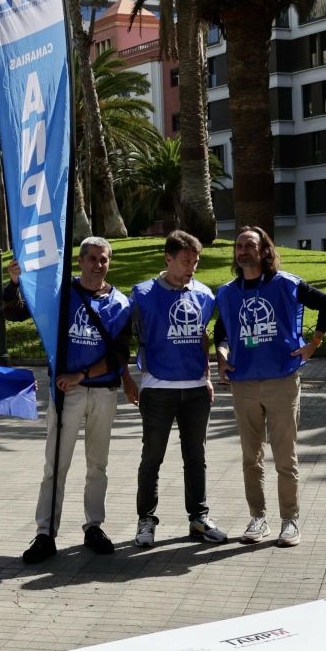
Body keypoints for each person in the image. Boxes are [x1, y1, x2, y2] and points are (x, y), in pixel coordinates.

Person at [4, 238, 130, 563]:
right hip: (66, 393)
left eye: (103, 260)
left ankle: (94, 526)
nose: (98, 265)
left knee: (98, 465)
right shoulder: (61, 295)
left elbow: (118, 356)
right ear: (79, 260)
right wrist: (15, 282)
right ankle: (45, 533)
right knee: (55, 466)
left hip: (102, 392)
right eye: (92, 259)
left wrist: (82, 376)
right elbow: (16, 312)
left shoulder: (120, 304)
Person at [213, 227, 326, 547]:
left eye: (250, 245)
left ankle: (290, 521)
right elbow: (222, 332)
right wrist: (222, 359)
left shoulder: (286, 284)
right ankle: (258, 518)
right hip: (243, 385)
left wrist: (312, 344)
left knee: (285, 458)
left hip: (281, 381)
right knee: (250, 458)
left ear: (264, 250)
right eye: (239, 246)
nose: (243, 251)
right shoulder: (227, 292)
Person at [127, 230, 226, 547]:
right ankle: (146, 521)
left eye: (195, 262)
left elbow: (203, 337)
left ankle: (198, 520)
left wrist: (207, 375)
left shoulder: (205, 295)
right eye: (185, 261)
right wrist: (126, 378)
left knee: (196, 457)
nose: (191, 268)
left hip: (196, 391)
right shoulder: (141, 295)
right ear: (167, 258)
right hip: (158, 390)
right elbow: (122, 338)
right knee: (152, 458)